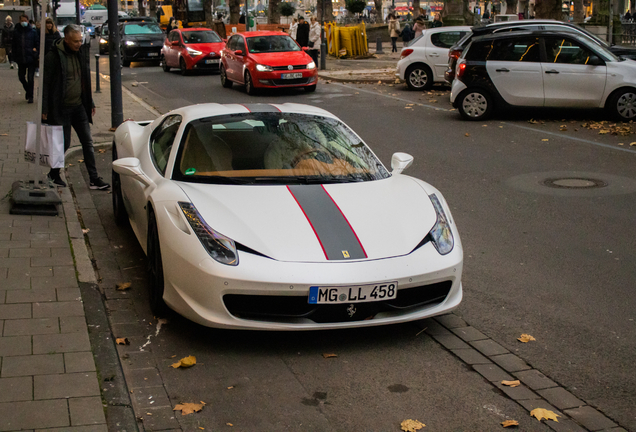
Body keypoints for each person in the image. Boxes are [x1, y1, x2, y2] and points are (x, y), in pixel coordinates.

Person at [42, 24, 110, 190]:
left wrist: (90, 102)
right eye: (75, 41)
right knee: (63, 144)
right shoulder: (53, 57)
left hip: (79, 106)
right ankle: (54, 173)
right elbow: (46, 83)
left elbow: (84, 79)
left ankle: (93, 179)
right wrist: (44, 109)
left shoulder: (81, 53)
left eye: (80, 40)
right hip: (61, 107)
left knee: (87, 142)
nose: (78, 44)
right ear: (66, 39)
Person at [12, 14, 39, 103]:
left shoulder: (33, 32)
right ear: (19, 21)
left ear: (28, 21)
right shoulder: (16, 32)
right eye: (22, 20)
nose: (24, 22)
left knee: (30, 78)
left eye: (25, 20)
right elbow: (14, 45)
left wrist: (35, 52)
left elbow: (37, 44)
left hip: (31, 58)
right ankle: (28, 90)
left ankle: (30, 96)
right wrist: (14, 56)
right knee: (21, 77)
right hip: (21, 58)